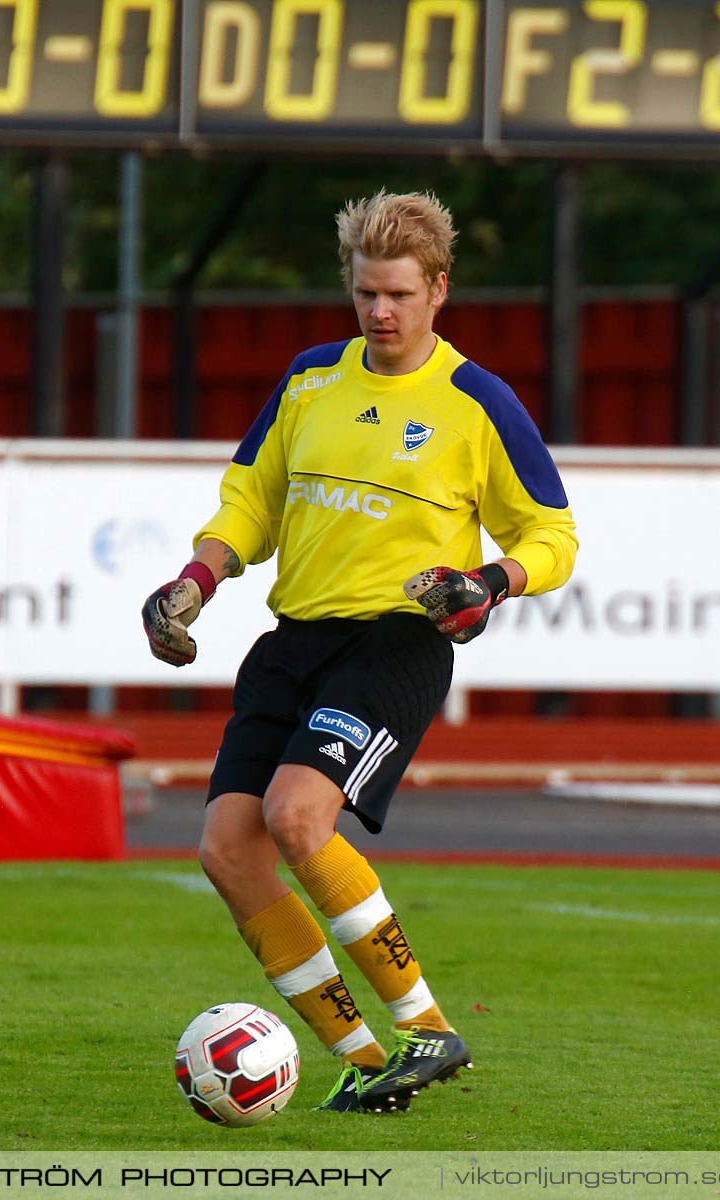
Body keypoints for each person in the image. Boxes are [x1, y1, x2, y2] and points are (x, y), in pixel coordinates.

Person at [142, 190, 577, 1114]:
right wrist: (196, 580)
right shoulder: (308, 381)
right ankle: (364, 1056)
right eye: (367, 294)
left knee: (299, 817)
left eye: (400, 296)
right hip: (292, 640)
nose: (381, 312)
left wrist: (489, 582)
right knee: (229, 849)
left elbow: (553, 536)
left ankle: (429, 1029)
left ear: (439, 291)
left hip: (395, 643)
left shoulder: (476, 402)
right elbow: (249, 505)